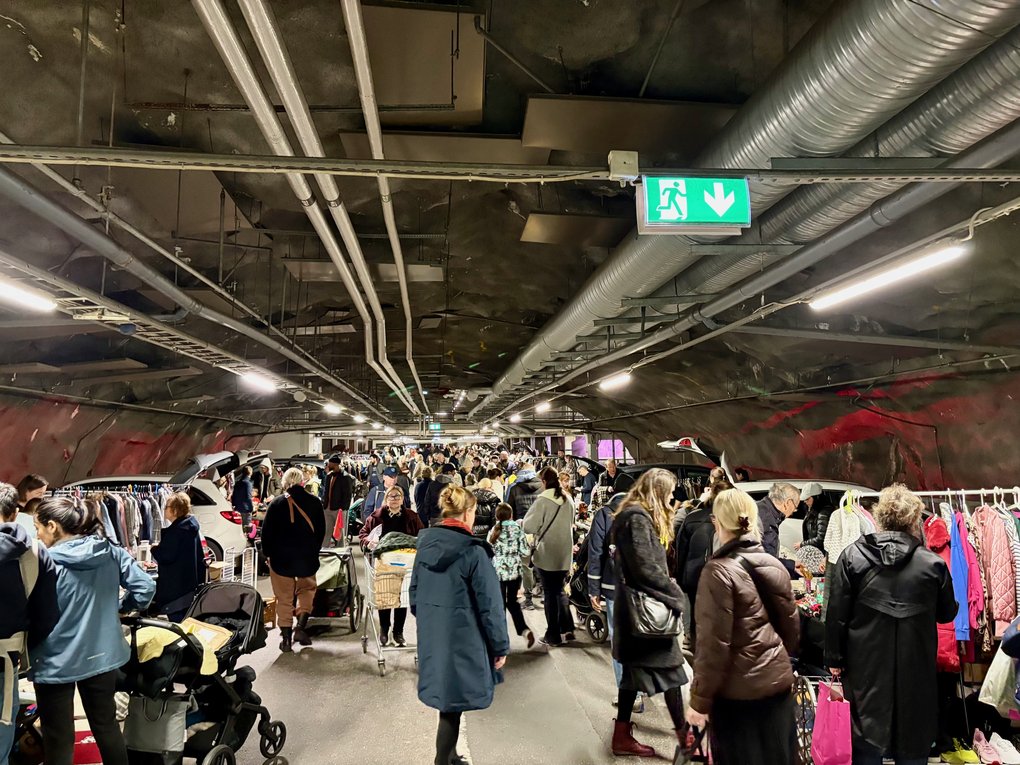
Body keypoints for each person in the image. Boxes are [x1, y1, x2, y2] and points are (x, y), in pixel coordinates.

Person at [825, 484, 958, 765]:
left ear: (879, 517)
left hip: (864, 667)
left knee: (865, 742)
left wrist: (834, 658)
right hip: (916, 667)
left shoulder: (853, 557)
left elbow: (836, 614)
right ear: (914, 520)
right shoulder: (933, 565)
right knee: (913, 740)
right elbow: (947, 615)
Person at [31, 497, 155, 765]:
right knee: (106, 725)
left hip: (55, 660)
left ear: (53, 526)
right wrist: (122, 607)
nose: (37, 534)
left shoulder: (43, 563)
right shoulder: (110, 551)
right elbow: (145, 587)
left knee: (58, 736)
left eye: (38, 527)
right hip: (102, 654)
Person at [685, 488, 799, 765]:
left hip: (738, 698)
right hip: (778, 690)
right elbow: (792, 632)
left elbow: (713, 646)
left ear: (718, 523)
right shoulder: (773, 564)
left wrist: (699, 702)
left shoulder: (717, 572)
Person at [411, 485, 510, 765]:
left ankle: (450, 755)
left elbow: (415, 595)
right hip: (465, 636)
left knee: (448, 699)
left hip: (435, 634)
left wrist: (433, 622)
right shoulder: (474, 553)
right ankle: (443, 760)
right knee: (453, 701)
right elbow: (491, 606)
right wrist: (499, 646)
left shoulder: (425, 547)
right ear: (468, 513)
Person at [609, 468, 688, 757]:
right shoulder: (637, 519)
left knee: (632, 676)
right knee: (674, 672)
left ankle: (621, 737)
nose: (670, 498)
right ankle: (686, 738)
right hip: (646, 614)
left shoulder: (630, 515)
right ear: (657, 491)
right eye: (668, 492)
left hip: (635, 614)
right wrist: (675, 596)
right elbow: (645, 568)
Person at [0, 483, 59, 765]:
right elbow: (47, 616)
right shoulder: (34, 554)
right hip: (5, 661)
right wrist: (23, 650)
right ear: (14, 513)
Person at [361, 486, 423, 647]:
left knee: (401, 599)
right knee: (385, 597)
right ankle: (384, 629)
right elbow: (363, 534)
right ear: (386, 499)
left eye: (398, 496)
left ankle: (398, 631)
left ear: (403, 499)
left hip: (406, 563)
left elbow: (422, 535)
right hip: (384, 564)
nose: (394, 499)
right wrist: (369, 542)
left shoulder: (411, 517)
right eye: (391, 496)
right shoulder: (375, 518)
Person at [523, 467, 576, 647]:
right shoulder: (568, 499)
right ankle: (567, 627)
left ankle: (553, 634)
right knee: (559, 589)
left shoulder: (542, 501)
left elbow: (528, 527)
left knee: (550, 594)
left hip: (547, 554)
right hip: (565, 554)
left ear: (544, 482)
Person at [150, 492, 204, 622]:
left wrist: (154, 549)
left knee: (177, 621)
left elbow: (166, 556)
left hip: (176, 587)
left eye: (167, 507)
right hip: (188, 583)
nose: (164, 510)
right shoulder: (189, 526)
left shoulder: (177, 531)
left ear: (174, 510)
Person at [488, 503, 536, 649]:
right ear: (511, 515)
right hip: (515, 573)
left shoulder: (494, 530)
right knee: (513, 602)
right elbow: (525, 552)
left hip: (498, 573)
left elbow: (489, 550)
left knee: (499, 606)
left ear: (497, 516)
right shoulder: (517, 529)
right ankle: (524, 630)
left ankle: (501, 639)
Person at [756, 482, 800, 557]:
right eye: (795, 508)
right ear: (788, 503)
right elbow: (767, 561)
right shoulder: (767, 521)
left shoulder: (759, 508)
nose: (792, 513)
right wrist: (791, 565)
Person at [323, 454, 355, 546]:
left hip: (339, 509)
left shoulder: (345, 477)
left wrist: (343, 509)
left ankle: (340, 550)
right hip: (327, 508)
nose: (328, 465)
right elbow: (326, 492)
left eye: (330, 463)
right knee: (326, 531)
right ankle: (324, 549)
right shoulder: (329, 476)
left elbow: (347, 495)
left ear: (335, 464)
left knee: (340, 531)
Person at [797, 482, 834, 554]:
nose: (805, 502)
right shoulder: (813, 509)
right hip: (815, 551)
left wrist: (802, 544)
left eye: (807, 499)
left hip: (819, 553)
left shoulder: (823, 513)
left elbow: (821, 538)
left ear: (816, 497)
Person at [14, 475, 48, 541]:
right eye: (39, 493)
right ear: (26, 491)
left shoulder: (37, 507)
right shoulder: (12, 506)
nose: (41, 497)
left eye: (43, 493)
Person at [232, 465, 255, 534]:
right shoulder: (248, 483)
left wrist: (234, 505)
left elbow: (234, 495)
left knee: (240, 529)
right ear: (250, 472)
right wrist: (251, 508)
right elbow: (248, 497)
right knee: (247, 528)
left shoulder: (238, 482)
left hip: (238, 507)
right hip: (246, 508)